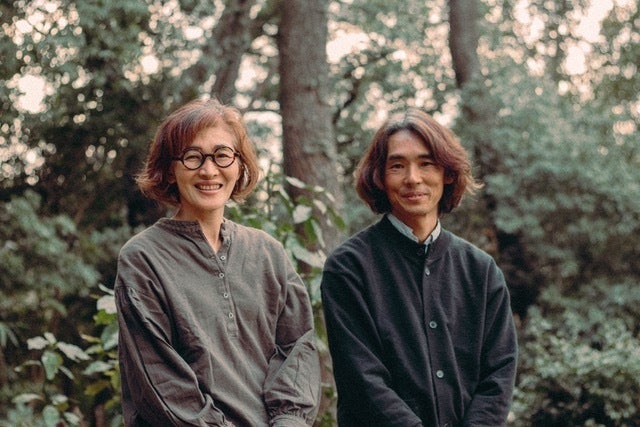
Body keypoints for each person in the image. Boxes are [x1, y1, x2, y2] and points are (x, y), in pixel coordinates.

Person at [114, 99, 320, 426]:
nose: (209, 170)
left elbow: (297, 350)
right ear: (170, 169)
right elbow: (161, 384)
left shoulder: (269, 253)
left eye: (222, 155)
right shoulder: (143, 259)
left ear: (239, 164)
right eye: (192, 156)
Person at [321, 108, 518, 426]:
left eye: (426, 164)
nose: (413, 178)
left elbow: (499, 374)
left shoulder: (481, 271)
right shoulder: (348, 268)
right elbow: (363, 381)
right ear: (379, 178)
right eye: (397, 166)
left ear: (448, 173)